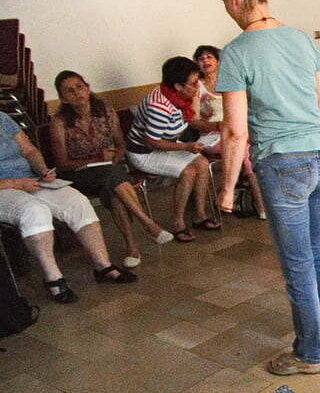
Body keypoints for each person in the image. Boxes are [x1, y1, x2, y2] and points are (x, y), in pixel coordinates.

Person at [215, 0, 320, 375]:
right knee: (316, 250)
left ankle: (309, 353)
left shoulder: (236, 52)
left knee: (297, 263)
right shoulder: (300, 40)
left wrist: (226, 189)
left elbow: (235, 132)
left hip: (282, 164)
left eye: (223, 1)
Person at [0, 111, 136, 303]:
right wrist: (15, 184)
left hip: (28, 179)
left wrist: (43, 170)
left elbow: (29, 151)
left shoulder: (2, 118)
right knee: (34, 211)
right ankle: (53, 278)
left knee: (77, 201)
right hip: (4, 188)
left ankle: (102, 265)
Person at [49, 70, 172, 267]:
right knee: (113, 178)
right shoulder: (59, 122)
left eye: (80, 87)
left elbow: (121, 144)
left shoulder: (105, 111)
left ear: (88, 88)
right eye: (70, 91)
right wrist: (96, 159)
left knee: (114, 189)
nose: (77, 93)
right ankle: (148, 224)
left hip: (110, 169)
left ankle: (132, 247)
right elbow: (62, 163)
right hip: (78, 173)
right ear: (63, 98)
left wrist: (114, 157)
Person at [125, 57, 221, 241]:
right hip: (144, 152)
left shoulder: (180, 96)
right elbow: (152, 142)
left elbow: (191, 120)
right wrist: (186, 146)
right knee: (189, 171)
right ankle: (178, 223)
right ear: (178, 86)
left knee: (201, 163)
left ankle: (200, 215)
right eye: (193, 83)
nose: (198, 86)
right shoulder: (159, 106)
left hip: (166, 144)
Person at [192, 45, 266, 219]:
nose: (205, 61)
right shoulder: (197, 88)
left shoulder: (230, 82)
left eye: (209, 57)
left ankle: (241, 195)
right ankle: (260, 205)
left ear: (218, 61)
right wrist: (218, 126)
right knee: (246, 153)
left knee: (253, 147)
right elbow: (193, 121)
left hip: (237, 131)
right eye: (201, 59)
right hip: (211, 136)